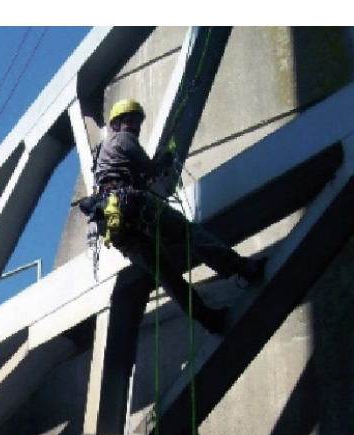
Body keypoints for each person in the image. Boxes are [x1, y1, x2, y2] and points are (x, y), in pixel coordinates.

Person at [91, 98, 267, 334]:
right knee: (189, 233)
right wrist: (165, 159)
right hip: (131, 205)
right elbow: (150, 169)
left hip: (114, 225)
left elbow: (128, 178)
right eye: (129, 121)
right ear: (116, 124)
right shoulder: (122, 140)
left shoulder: (100, 156)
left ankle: (208, 319)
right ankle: (243, 269)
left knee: (165, 273)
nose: (134, 127)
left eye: (136, 123)